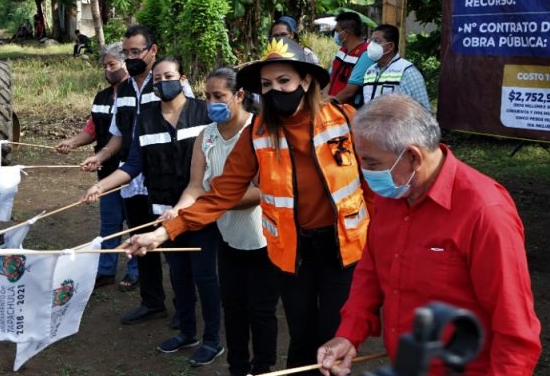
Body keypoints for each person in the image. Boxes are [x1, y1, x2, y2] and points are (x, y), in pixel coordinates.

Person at [121, 38, 374, 371]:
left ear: (306, 80)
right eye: (267, 85)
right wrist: (163, 233)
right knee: (300, 336)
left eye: (284, 81)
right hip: (292, 250)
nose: (275, 90)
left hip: (342, 248)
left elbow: (374, 186)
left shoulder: (345, 119)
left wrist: (384, 244)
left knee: (331, 335)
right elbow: (220, 193)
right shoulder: (256, 133)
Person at [316, 94, 542, 376]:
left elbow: (515, 327)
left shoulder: (484, 212)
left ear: (413, 156)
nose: (365, 173)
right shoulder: (394, 194)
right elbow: (371, 271)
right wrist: (348, 335)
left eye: (371, 164)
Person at [81, 57, 224, 366]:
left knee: (204, 276)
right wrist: (102, 186)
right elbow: (134, 165)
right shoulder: (144, 119)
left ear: (183, 78)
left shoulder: (203, 112)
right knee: (179, 275)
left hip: (199, 210)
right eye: (157, 80)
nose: (162, 83)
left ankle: (213, 340)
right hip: (163, 213)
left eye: (168, 76)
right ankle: (188, 333)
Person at [163, 67, 278, 376]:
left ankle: (264, 367)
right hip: (228, 236)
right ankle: (238, 367)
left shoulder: (260, 133)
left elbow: (261, 190)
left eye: (219, 96)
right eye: (207, 96)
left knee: (262, 311)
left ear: (239, 95)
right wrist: (179, 210)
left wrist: (211, 205)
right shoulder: (206, 135)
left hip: (264, 239)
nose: (211, 102)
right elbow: (195, 186)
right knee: (234, 307)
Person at [79, 25, 169, 325]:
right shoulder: (125, 90)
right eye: (126, 53)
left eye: (135, 52)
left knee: (177, 251)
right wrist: (100, 155)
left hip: (164, 182)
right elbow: (118, 135)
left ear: (152, 51)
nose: (130, 57)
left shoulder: (169, 85)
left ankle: (186, 312)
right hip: (133, 182)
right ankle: (152, 302)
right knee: (140, 242)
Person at [55, 43, 138, 289]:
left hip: (132, 172)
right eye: (105, 66)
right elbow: (92, 129)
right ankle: (106, 270)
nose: (108, 70)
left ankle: (135, 271)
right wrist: (72, 142)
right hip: (106, 172)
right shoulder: (102, 97)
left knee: (136, 224)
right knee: (110, 224)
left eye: (112, 64)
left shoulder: (135, 95)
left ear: (126, 63)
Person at [356, 24, 430, 110]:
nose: (371, 45)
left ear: (390, 46)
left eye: (377, 41)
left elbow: (424, 110)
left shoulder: (407, 71)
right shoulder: (370, 71)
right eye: (371, 41)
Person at [327, 12, 372, 107]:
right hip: (331, 107)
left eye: (337, 31)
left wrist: (329, 106)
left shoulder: (365, 54)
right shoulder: (342, 50)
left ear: (346, 33)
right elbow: (330, 78)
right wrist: (324, 99)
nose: (335, 34)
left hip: (347, 111)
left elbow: (350, 91)